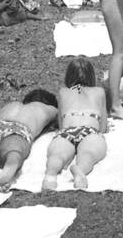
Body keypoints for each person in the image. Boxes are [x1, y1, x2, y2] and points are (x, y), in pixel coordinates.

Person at [42, 58, 108, 190]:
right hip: (89, 130)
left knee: (57, 155)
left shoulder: (63, 92)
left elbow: (61, 124)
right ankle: (80, 171)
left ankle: (50, 176)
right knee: (88, 154)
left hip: (68, 130)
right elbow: (103, 126)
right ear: (91, 75)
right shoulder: (99, 92)